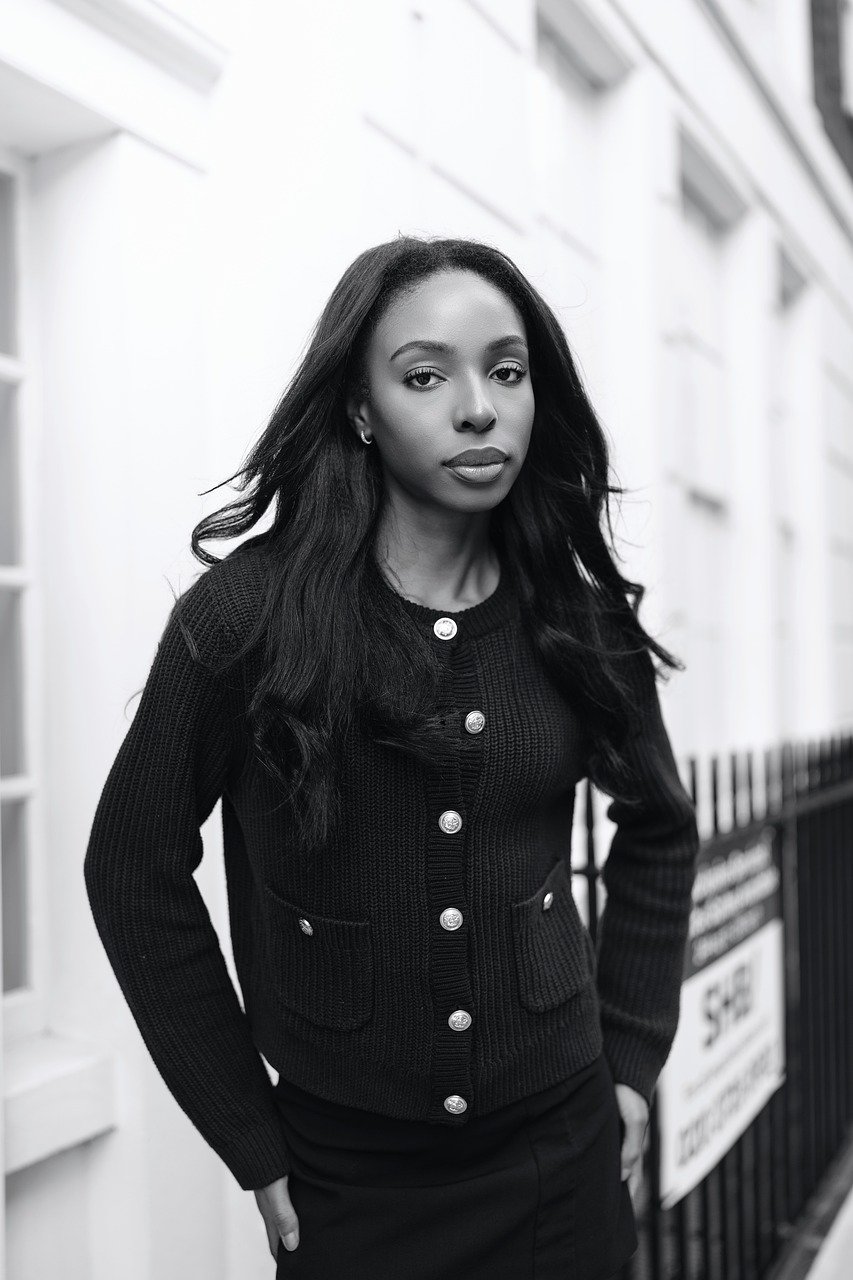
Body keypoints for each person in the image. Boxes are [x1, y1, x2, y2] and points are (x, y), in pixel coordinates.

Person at [84, 234, 700, 1279]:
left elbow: (660, 826)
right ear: (360, 408)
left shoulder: (573, 621)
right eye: (427, 375)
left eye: (507, 371)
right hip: (347, 1181)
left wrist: (632, 1057)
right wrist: (246, 1127)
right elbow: (131, 868)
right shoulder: (245, 617)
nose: (477, 406)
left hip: (561, 1161)